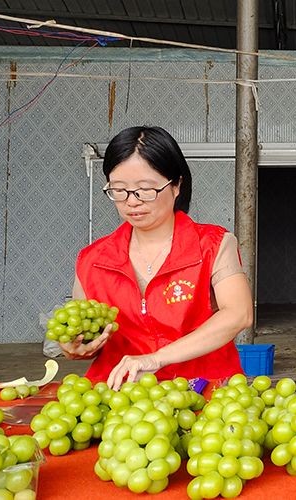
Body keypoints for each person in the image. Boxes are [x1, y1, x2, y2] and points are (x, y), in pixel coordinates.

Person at [60, 126, 253, 390]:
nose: (132, 202)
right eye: (119, 190)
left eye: (145, 189)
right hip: (121, 395)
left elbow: (239, 314)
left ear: (176, 185)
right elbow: (88, 332)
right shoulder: (92, 260)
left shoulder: (213, 244)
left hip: (205, 389)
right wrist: (78, 346)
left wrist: (157, 358)